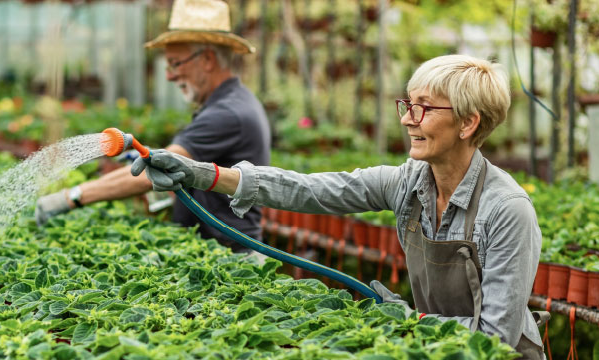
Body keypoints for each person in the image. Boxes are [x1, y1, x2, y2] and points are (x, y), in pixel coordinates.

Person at [131, 54, 546, 359]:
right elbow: (312, 190)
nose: (407, 119)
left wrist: (409, 321)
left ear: (468, 123)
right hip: (437, 348)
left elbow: (495, 338)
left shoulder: (507, 210)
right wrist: (202, 174)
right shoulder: (408, 181)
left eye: (424, 107)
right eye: (407, 104)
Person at [35, 0, 271, 253]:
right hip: (215, 251)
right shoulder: (229, 102)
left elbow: (156, 172)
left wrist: (72, 197)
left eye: (175, 63)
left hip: (231, 259)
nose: (169, 75)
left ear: (207, 59)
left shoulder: (227, 113)